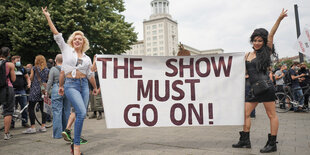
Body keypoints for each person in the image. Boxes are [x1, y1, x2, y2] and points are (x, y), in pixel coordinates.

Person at [42, 7, 98, 155]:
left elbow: (90, 74)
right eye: (75, 38)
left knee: (82, 113)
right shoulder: (66, 49)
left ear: (83, 42)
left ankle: (74, 143)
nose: (77, 40)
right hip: (71, 85)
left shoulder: (86, 57)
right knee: (80, 112)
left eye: (80, 39)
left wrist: (95, 87)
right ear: (72, 41)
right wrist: (48, 17)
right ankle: (77, 147)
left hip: (84, 85)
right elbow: (56, 33)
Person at [232, 9, 287, 153]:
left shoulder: (266, 51)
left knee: (271, 115)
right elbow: (238, 70)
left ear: (264, 42)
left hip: (266, 87)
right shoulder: (247, 54)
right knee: (245, 113)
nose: (257, 43)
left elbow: (272, 34)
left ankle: (272, 143)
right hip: (253, 89)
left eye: (259, 40)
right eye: (255, 40)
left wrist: (279, 19)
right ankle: (245, 140)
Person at [46, 54, 71, 139]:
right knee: (66, 112)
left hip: (57, 89)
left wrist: (46, 91)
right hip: (67, 89)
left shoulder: (53, 69)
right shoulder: (68, 68)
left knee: (57, 112)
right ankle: (66, 131)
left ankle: (57, 134)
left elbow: (50, 81)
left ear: (55, 60)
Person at [22, 55, 49, 134]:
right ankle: (43, 126)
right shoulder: (47, 69)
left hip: (35, 89)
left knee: (31, 108)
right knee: (43, 108)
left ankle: (33, 127)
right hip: (43, 90)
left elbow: (31, 78)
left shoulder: (34, 68)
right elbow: (47, 79)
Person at [0, 47, 16, 140]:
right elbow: (13, 79)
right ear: (8, 54)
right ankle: (6, 133)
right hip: (7, 88)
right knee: (8, 111)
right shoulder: (10, 65)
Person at [11, 55, 31, 128]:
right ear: (13, 61)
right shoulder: (10, 68)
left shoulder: (22, 68)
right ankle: (11, 123)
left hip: (21, 90)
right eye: (17, 60)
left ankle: (24, 122)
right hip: (12, 90)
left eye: (19, 60)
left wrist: (29, 83)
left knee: (24, 107)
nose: (19, 62)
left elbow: (27, 77)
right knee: (12, 108)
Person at [88, 55, 104, 120]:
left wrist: (100, 88)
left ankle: (100, 114)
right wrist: (89, 88)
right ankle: (94, 113)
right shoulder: (91, 70)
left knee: (98, 101)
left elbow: (102, 80)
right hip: (92, 88)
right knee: (92, 102)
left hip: (98, 88)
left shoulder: (100, 70)